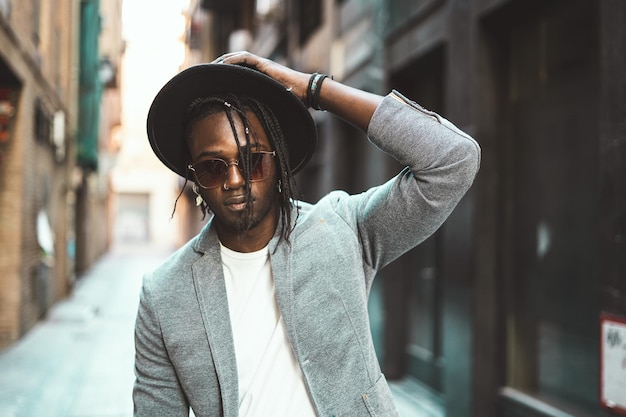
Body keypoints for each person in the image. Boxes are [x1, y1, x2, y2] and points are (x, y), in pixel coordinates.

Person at [133, 51, 481, 417]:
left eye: (252, 160)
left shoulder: (342, 228)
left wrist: (314, 88)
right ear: (196, 179)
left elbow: (453, 160)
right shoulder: (164, 295)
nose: (234, 180)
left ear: (278, 160)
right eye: (212, 167)